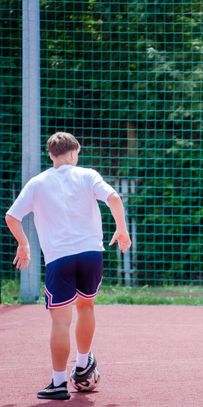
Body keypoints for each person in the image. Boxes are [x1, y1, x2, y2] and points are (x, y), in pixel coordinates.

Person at [5, 132, 131, 400]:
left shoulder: (37, 183)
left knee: (61, 320)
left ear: (51, 155)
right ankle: (83, 363)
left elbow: (12, 216)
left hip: (59, 257)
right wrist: (121, 229)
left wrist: (24, 244)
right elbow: (114, 198)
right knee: (86, 306)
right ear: (75, 151)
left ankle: (59, 382)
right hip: (91, 254)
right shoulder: (87, 175)